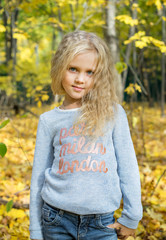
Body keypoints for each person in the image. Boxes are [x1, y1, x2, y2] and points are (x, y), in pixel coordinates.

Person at [29, 30, 143, 240]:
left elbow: (128, 167)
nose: (80, 79)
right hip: (56, 220)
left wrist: (132, 216)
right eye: (73, 69)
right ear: (60, 67)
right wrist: (35, 231)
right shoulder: (49, 121)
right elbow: (38, 179)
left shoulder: (113, 113)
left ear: (99, 76)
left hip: (102, 225)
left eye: (90, 72)